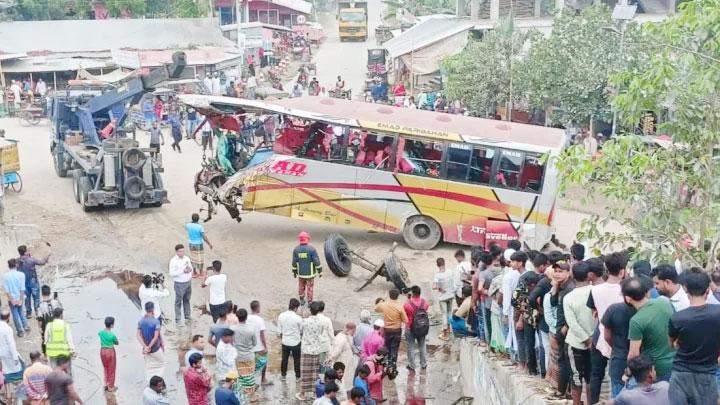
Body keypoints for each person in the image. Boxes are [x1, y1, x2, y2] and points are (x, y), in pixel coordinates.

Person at [668, 268, 720, 404]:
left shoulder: (677, 318)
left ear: (685, 289)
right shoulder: (718, 313)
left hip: (680, 373)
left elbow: (671, 344)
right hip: (707, 375)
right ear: (708, 289)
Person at [586, 252, 626, 403]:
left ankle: (593, 402)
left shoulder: (595, 289)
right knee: (619, 376)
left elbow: (593, 310)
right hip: (620, 338)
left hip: (600, 335)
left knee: (596, 374)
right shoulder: (625, 290)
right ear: (622, 271)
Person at [624, 276, 675, 381]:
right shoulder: (664, 302)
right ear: (647, 292)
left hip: (656, 370)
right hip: (676, 364)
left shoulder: (636, 321)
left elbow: (634, 354)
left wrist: (628, 373)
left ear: (628, 298)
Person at [562, 262, 595, 405]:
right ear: (589, 275)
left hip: (575, 342)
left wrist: (585, 339)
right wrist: (591, 340)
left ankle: (576, 403)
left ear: (572, 276)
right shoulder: (596, 291)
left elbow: (572, 323)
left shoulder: (568, 297)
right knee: (590, 376)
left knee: (576, 377)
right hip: (595, 342)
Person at [548, 260, 574, 400]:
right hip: (560, 327)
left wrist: (565, 328)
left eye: (561, 271)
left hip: (566, 329)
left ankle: (564, 391)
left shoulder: (570, 288)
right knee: (561, 359)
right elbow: (553, 303)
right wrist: (555, 286)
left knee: (565, 360)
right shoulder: (561, 286)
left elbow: (572, 311)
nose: (557, 274)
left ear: (568, 273)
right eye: (556, 271)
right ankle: (563, 390)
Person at [296, 302, 327, 401]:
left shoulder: (304, 321)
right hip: (316, 350)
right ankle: (314, 393)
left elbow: (300, 331)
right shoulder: (321, 322)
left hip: (306, 349)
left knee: (305, 372)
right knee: (315, 372)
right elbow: (321, 333)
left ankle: (302, 393)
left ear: (310, 310)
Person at [374, 289, 408, 365]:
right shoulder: (400, 307)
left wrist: (381, 301)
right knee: (394, 349)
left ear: (389, 295)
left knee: (386, 347)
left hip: (387, 330)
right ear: (398, 296)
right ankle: (392, 365)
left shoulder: (384, 304)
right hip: (397, 330)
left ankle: (384, 364)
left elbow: (376, 309)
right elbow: (406, 320)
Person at [231, 308, 258, 402]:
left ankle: (241, 394)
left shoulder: (232, 329)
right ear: (246, 317)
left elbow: (231, 342)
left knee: (241, 376)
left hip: (238, 356)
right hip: (249, 356)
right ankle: (252, 396)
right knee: (250, 376)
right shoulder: (251, 329)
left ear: (237, 317)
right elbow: (255, 343)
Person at [16, 244, 49, 319]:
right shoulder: (31, 259)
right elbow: (42, 262)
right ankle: (37, 312)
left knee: (27, 298)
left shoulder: (17, 261)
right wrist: (47, 256)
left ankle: (28, 313)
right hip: (33, 281)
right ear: (25, 251)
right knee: (36, 297)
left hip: (23, 282)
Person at [292, 232, 323, 305]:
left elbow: (294, 262)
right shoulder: (312, 249)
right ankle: (310, 302)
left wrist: (294, 271)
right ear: (308, 239)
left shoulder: (296, 250)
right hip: (310, 274)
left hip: (301, 274)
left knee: (301, 286)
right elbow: (316, 261)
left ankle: (302, 299)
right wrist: (320, 271)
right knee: (310, 288)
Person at [404, 285, 429, 372]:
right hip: (422, 327)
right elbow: (425, 309)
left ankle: (412, 365)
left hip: (410, 328)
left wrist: (408, 299)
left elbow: (405, 313)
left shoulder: (407, 304)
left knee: (411, 346)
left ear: (412, 293)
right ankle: (423, 364)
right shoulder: (425, 302)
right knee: (422, 345)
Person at [137, 302, 164, 383]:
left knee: (149, 367)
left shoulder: (141, 321)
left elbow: (138, 335)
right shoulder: (156, 322)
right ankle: (158, 382)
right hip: (155, 348)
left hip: (146, 350)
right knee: (161, 364)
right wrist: (149, 346)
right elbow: (156, 337)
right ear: (153, 309)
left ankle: (150, 383)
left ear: (145, 309)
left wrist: (145, 347)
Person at [278, 298, 303, 382]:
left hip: (285, 341)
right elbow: (301, 330)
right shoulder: (298, 318)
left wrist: (283, 338)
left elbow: (279, 331)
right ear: (295, 308)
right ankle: (297, 377)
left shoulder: (281, 316)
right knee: (297, 360)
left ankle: (283, 375)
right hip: (296, 342)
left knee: (284, 359)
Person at [45, 307, 75, 373]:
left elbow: (46, 339)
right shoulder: (65, 325)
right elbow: (69, 339)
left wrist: (45, 352)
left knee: (54, 371)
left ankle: (56, 381)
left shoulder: (49, 325)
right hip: (64, 352)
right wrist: (72, 350)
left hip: (52, 353)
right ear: (61, 315)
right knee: (67, 371)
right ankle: (66, 381)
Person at [168, 244, 193, 325]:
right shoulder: (173, 261)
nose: (182, 253)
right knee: (178, 301)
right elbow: (171, 273)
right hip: (179, 284)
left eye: (183, 251)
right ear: (176, 252)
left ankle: (187, 316)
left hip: (188, 282)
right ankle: (178, 319)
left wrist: (190, 271)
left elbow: (190, 267)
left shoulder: (187, 258)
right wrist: (183, 271)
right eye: (180, 251)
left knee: (187, 300)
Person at [3, 258, 29, 336]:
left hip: (11, 298)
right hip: (19, 297)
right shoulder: (21, 275)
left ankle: (20, 331)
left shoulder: (5, 276)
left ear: (8, 266)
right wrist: (20, 300)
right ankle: (26, 326)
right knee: (21, 312)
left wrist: (12, 300)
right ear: (16, 265)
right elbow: (22, 289)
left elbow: (7, 291)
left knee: (15, 315)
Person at [248, 300, 271, 386]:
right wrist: (265, 347)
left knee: (251, 364)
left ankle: (251, 381)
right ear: (257, 308)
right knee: (264, 361)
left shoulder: (247, 318)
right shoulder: (259, 320)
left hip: (250, 346)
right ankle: (263, 379)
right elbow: (262, 335)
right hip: (259, 346)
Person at [0, 309, 23, 391]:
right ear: (8, 317)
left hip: (1, 354)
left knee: (4, 371)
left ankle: (8, 392)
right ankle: (17, 387)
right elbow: (11, 344)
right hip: (8, 353)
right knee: (17, 370)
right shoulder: (8, 329)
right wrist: (15, 357)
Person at [328, 323, 356, 389]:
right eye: (353, 331)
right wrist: (331, 358)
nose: (354, 333)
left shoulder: (348, 336)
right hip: (343, 361)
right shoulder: (341, 338)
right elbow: (336, 352)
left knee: (348, 377)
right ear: (349, 329)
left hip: (348, 361)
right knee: (343, 377)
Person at [433, 257, 455, 341]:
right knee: (449, 312)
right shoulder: (450, 271)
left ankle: (445, 333)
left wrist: (440, 288)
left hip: (443, 297)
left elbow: (434, 286)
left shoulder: (437, 275)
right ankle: (449, 329)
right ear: (444, 263)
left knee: (444, 314)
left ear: (437, 265)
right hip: (450, 295)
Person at [37, 285, 62, 355]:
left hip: (46, 326)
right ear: (50, 293)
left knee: (45, 340)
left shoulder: (40, 305)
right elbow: (61, 312)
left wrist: (39, 328)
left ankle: (45, 354)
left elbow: (40, 319)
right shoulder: (56, 302)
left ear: (42, 294)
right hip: (56, 324)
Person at [99, 316, 119, 392]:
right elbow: (116, 342)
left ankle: (106, 383)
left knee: (105, 367)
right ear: (111, 325)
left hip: (102, 351)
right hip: (110, 351)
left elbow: (99, 334)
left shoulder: (101, 332)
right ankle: (111, 386)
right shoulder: (112, 335)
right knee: (112, 369)